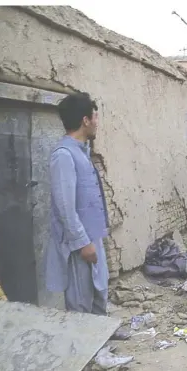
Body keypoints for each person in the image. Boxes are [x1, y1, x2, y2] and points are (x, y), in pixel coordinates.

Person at [45, 92, 109, 315]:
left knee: (99, 287)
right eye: (95, 117)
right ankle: (86, 347)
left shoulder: (82, 152)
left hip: (92, 236)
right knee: (80, 299)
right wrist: (83, 243)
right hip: (78, 243)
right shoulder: (63, 155)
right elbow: (65, 207)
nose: (97, 123)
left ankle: (103, 334)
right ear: (85, 120)